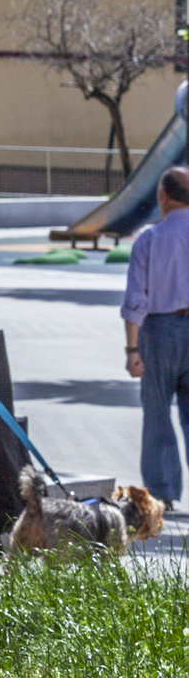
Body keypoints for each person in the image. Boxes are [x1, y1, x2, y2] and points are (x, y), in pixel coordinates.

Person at [122, 164, 189, 506]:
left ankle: (163, 494)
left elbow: (136, 300)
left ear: (163, 196)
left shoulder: (149, 240)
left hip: (160, 331)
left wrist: (132, 349)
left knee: (158, 413)